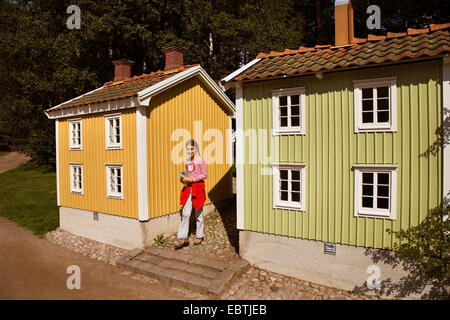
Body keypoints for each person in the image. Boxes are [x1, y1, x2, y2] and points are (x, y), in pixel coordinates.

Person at [174, 139, 207, 250]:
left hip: (198, 188)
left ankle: (199, 235)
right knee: (186, 213)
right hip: (189, 188)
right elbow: (188, 174)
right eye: (188, 149)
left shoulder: (200, 160)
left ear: (196, 149)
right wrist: (183, 179)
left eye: (191, 148)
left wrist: (192, 179)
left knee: (198, 213)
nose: (189, 151)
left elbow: (204, 175)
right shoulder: (187, 161)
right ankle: (182, 237)